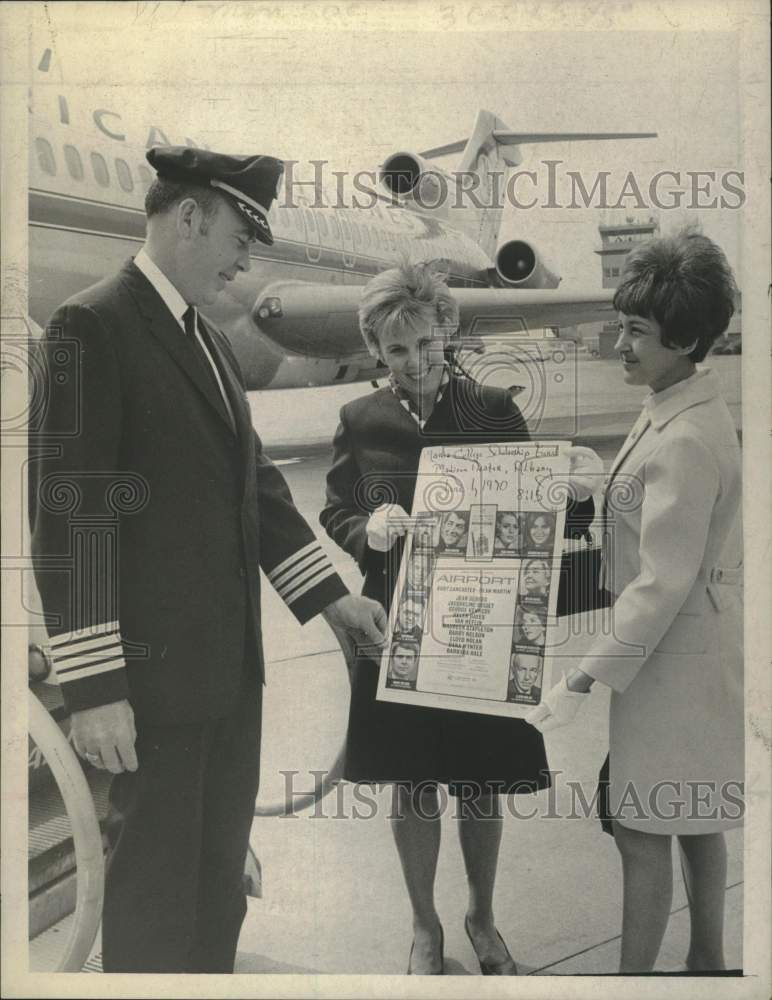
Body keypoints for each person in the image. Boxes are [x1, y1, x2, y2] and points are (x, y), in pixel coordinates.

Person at [29, 146, 385, 974]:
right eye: (240, 238)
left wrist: (331, 597)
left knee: (216, 888)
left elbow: (253, 488)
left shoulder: (212, 342)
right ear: (190, 218)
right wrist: (95, 691)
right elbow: (72, 517)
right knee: (155, 899)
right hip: (149, 692)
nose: (246, 263)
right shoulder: (94, 325)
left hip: (228, 678)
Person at [320, 259, 595, 975]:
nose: (415, 361)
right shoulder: (359, 419)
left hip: (484, 623)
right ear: (377, 349)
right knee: (412, 781)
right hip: (396, 626)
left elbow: (537, 506)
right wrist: (365, 529)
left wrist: (573, 491)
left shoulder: (493, 408)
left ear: (449, 333)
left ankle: (482, 914)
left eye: (427, 343)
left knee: (479, 779)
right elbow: (335, 506)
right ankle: (422, 925)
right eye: (398, 348)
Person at [528, 231, 743, 973]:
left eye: (635, 333)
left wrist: (580, 678)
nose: (617, 343)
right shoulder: (678, 404)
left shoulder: (683, 433)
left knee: (644, 829)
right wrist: (604, 485)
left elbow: (659, 582)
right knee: (695, 819)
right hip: (689, 655)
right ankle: (708, 964)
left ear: (684, 338)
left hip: (665, 662)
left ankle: (634, 984)